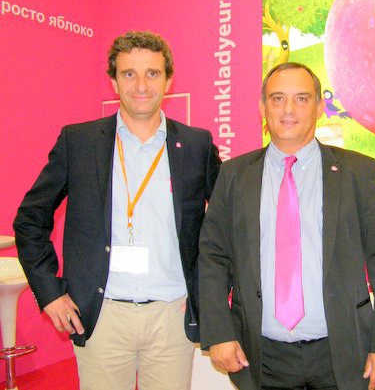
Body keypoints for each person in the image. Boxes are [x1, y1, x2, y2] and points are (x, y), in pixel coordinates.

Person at [13, 30, 221, 390]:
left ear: (168, 80)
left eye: (152, 73)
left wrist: (212, 295)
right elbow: (30, 220)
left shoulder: (196, 145)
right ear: (114, 82)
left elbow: (225, 226)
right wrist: (50, 294)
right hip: (101, 316)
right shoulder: (78, 142)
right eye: (129, 74)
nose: (141, 85)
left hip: (171, 317)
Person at [198, 62, 375, 389]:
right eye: (277, 98)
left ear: (320, 107)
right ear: (262, 107)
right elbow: (213, 257)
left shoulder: (358, 171)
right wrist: (219, 333)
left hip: (341, 353)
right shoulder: (235, 175)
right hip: (261, 356)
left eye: (301, 98)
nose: (288, 109)